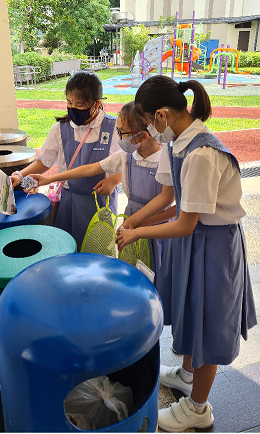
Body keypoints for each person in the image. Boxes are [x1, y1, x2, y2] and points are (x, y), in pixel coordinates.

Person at [115, 75, 257, 432]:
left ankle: (198, 408)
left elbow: (184, 224)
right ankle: (188, 374)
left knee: (208, 324)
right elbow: (170, 200)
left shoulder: (201, 155)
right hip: (195, 240)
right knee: (192, 312)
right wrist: (132, 221)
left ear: (161, 115)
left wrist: (137, 233)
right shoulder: (179, 142)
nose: (147, 130)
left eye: (147, 122)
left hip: (213, 246)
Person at [27, 101, 176, 276]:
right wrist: (49, 179)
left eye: (123, 133)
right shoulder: (125, 157)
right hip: (130, 226)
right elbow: (89, 168)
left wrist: (141, 224)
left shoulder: (167, 162)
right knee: (133, 272)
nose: (119, 138)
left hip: (157, 230)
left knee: (158, 273)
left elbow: (174, 208)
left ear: (144, 136)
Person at [10, 71, 121, 250]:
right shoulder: (59, 129)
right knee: (68, 250)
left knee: (99, 253)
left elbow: (128, 162)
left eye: (79, 104)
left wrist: (114, 181)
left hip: (101, 204)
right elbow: (44, 161)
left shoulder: (114, 128)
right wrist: (19, 175)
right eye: (69, 103)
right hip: (69, 202)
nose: (73, 108)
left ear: (97, 103)